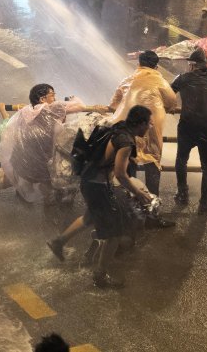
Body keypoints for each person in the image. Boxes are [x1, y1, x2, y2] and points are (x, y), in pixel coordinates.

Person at [80, 105, 153, 288]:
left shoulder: (118, 127)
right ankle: (99, 276)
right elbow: (120, 173)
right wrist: (138, 193)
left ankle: (93, 258)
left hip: (90, 181)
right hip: (98, 186)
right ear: (141, 123)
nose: (150, 127)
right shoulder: (126, 142)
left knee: (111, 226)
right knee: (114, 233)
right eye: (149, 123)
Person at [0, 84, 87, 205]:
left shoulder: (25, 111)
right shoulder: (52, 108)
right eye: (53, 95)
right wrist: (74, 98)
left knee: (31, 178)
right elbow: (81, 106)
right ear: (42, 99)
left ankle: (23, 193)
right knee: (48, 182)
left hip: (24, 161)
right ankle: (48, 203)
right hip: (44, 160)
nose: (55, 98)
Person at [106, 50, 176, 196]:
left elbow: (113, 106)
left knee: (127, 161)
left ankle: (129, 199)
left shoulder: (127, 80)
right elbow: (171, 103)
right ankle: (152, 201)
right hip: (148, 128)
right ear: (156, 67)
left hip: (125, 129)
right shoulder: (161, 82)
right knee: (152, 159)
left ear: (139, 63)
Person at [171, 49, 207, 213]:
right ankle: (205, 203)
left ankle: (182, 194)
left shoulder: (182, 78)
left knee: (181, 160)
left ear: (192, 65)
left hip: (187, 126)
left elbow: (167, 94)